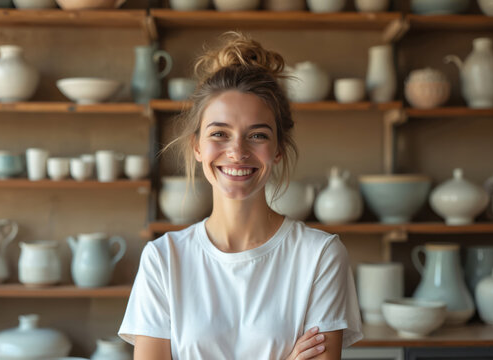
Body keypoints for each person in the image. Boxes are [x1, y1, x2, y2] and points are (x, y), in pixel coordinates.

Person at [118, 32, 363, 360]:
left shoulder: (320, 257)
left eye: (257, 135)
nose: (237, 152)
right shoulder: (163, 260)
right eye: (219, 134)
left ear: (277, 150)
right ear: (197, 147)